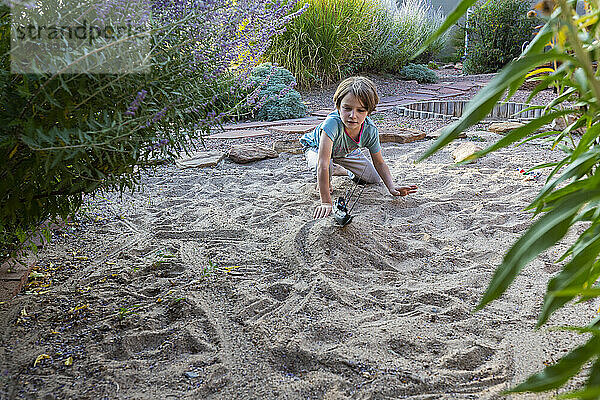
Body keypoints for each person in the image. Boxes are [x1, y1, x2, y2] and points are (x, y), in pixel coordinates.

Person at [299, 76, 418, 219]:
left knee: (373, 178)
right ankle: (330, 175)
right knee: (327, 167)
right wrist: (326, 202)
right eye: (347, 108)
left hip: (346, 152)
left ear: (369, 111)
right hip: (316, 149)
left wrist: (391, 187)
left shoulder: (370, 130)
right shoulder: (332, 123)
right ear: (338, 106)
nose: (353, 116)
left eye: (360, 110)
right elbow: (322, 163)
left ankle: (341, 170)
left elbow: (379, 162)